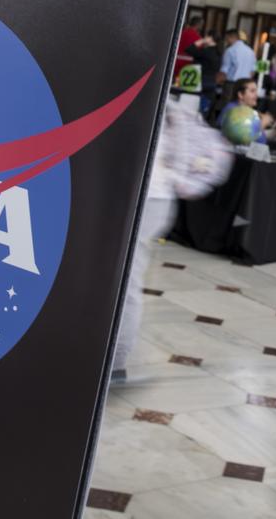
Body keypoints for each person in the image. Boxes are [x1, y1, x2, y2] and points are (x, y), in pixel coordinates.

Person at [111, 102, 232, 384]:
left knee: (126, 280)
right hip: (140, 197)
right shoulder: (155, 101)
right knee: (117, 279)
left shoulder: (158, 102)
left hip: (149, 200)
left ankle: (115, 364)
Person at [218, 78, 276, 144]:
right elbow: (248, 140)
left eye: (256, 91)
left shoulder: (241, 109)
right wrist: (262, 124)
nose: (256, 95)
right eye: (252, 91)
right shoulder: (232, 111)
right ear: (240, 94)